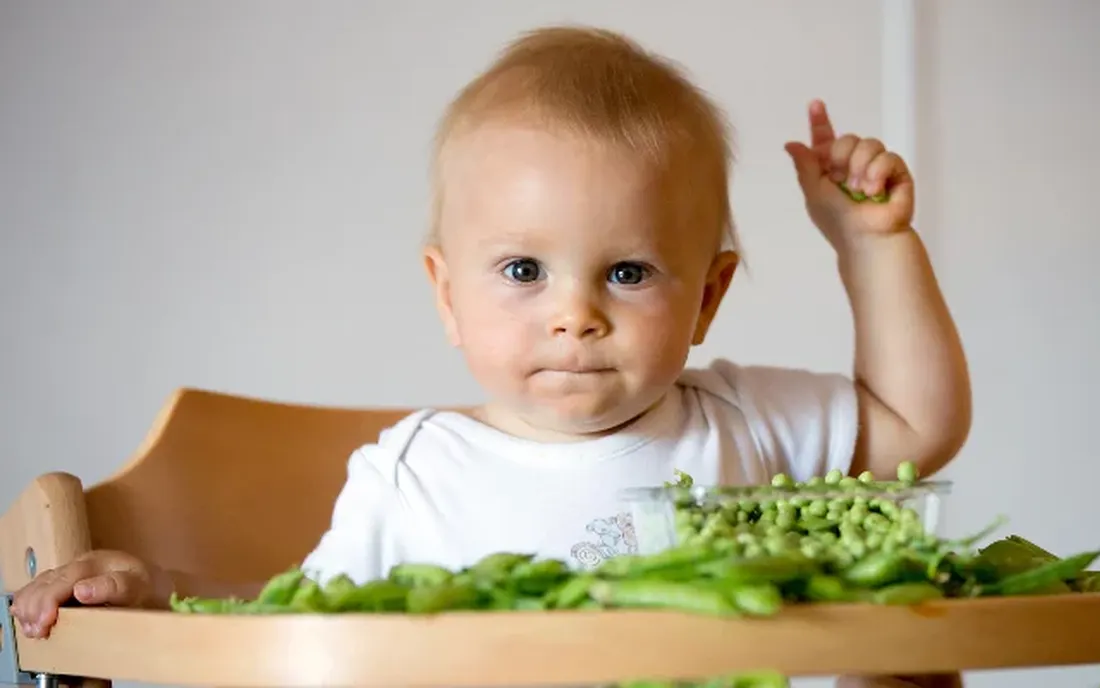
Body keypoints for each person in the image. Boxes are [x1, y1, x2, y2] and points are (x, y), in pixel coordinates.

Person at [10, 25, 971, 688]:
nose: (576, 314)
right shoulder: (417, 475)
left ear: (709, 297)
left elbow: (915, 431)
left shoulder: (739, 423)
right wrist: (156, 594)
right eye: (523, 268)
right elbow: (289, 620)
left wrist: (874, 248)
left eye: (629, 273)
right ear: (447, 296)